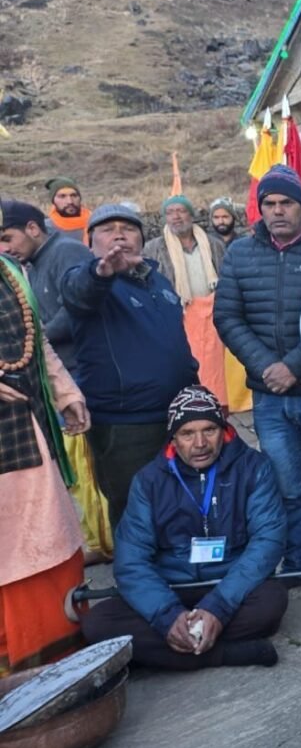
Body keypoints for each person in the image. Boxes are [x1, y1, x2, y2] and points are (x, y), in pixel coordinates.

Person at [214, 165, 301, 602]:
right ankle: (293, 565)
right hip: (269, 396)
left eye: (286, 203)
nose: (277, 211)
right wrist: (266, 367)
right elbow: (228, 317)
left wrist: (294, 365)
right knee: (285, 486)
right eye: (269, 204)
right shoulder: (240, 253)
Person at [80, 385, 288, 670]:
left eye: (209, 430)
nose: (200, 443)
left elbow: (268, 541)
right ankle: (227, 654)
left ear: (224, 430)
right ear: (173, 439)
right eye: (187, 433)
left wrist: (218, 608)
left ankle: (162, 653)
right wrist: (167, 617)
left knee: (271, 602)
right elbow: (131, 560)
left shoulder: (253, 467)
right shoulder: (149, 481)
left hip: (228, 582)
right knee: (98, 624)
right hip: (172, 586)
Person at [61, 204, 198, 532]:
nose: (119, 235)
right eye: (108, 229)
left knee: (182, 501)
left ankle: (179, 564)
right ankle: (135, 568)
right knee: (135, 512)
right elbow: (80, 292)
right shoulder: (86, 279)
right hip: (126, 423)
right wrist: (100, 274)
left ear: (141, 238)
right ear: (90, 242)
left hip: (176, 414)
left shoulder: (157, 279)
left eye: (128, 228)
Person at [0, 210, 90, 676]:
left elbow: (38, 344)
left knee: (50, 533)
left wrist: (66, 393)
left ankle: (63, 654)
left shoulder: (10, 270)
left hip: (31, 429)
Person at [0, 199, 112, 561]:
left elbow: (57, 322)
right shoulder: (24, 265)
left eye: (6, 237)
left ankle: (101, 546)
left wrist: (64, 391)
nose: (4, 247)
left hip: (52, 391)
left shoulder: (42, 260)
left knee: (72, 478)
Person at [144, 196, 228, 407]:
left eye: (180, 211)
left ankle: (217, 404)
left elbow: (226, 277)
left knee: (215, 366)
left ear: (191, 215)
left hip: (212, 316)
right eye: (170, 212)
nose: (176, 217)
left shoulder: (213, 244)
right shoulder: (154, 248)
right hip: (177, 316)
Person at [0, 200, 92, 371]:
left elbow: (75, 310)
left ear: (33, 229)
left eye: (7, 239)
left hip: (84, 368)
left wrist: (33, 340)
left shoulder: (67, 251)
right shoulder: (32, 263)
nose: (4, 249)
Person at [44, 177, 90, 243]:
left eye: (74, 195)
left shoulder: (95, 222)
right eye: (62, 196)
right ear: (53, 201)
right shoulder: (45, 229)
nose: (70, 201)